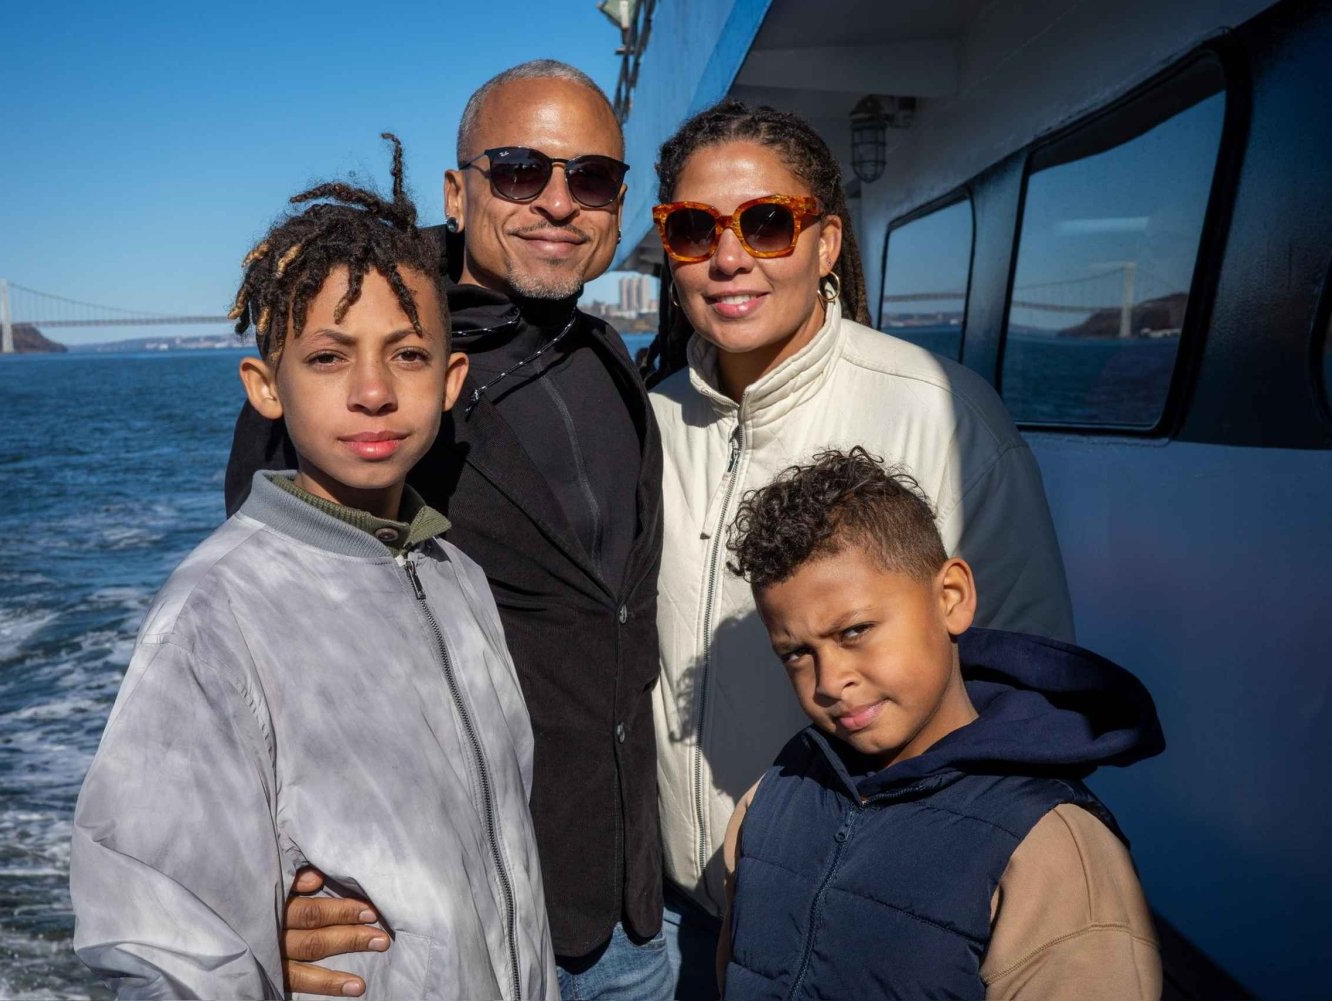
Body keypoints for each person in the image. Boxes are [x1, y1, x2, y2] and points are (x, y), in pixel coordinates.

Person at [71, 139, 557, 1000]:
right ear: (266, 385)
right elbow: (165, 941)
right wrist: (254, 946)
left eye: (406, 355)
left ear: (450, 382)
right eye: (329, 357)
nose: (373, 391)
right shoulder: (217, 612)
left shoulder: (457, 576)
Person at [225, 62, 669, 1000]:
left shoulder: (606, 355)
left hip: (628, 914)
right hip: (448, 927)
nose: (557, 202)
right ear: (458, 190)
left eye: (589, 179)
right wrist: (267, 890)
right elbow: (264, 644)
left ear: (619, 204)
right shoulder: (373, 365)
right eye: (520, 171)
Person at [643, 100, 1078, 995]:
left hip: (856, 928)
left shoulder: (942, 412)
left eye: (766, 223)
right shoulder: (645, 426)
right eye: (695, 229)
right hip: (667, 924)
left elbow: (1030, 686)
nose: (730, 257)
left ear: (827, 243)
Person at [715, 447, 1163, 999]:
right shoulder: (776, 794)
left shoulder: (1053, 851)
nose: (829, 681)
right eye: (796, 653)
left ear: (951, 597)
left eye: (854, 631)